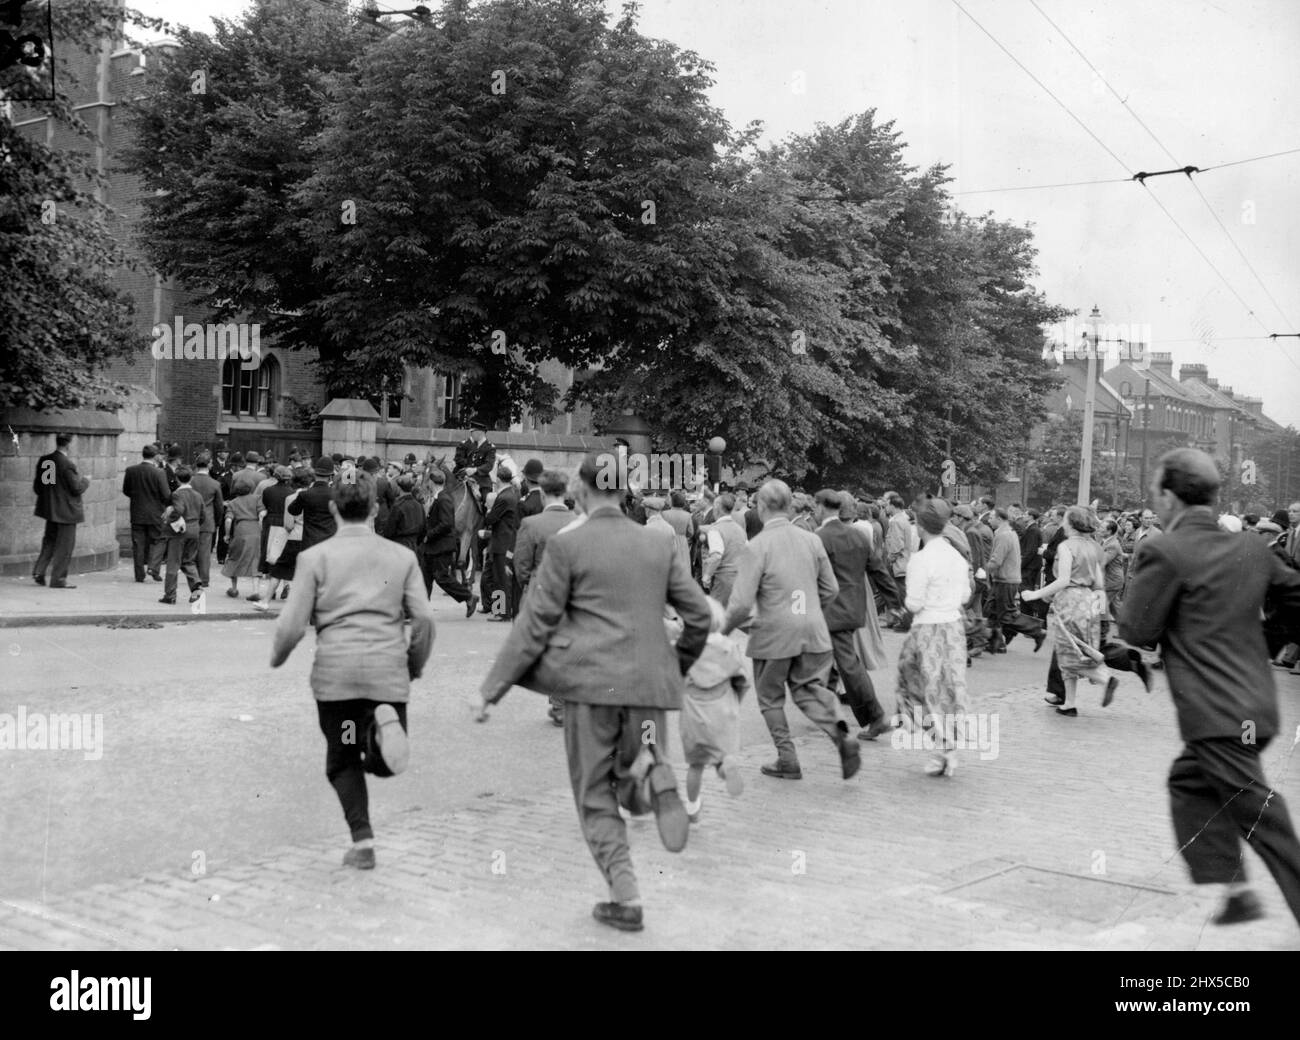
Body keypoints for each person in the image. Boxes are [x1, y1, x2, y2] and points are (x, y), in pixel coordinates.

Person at [476, 452, 713, 933]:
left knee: (595, 795)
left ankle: (625, 896)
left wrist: (491, 689)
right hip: (648, 688)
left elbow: (535, 622)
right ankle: (658, 778)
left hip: (591, 689)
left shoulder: (568, 546)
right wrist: (676, 665)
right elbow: (701, 616)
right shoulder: (657, 544)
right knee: (638, 763)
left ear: (582, 491)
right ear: (627, 492)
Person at [1121, 448, 1300, 927]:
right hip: (1252, 710)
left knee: (1262, 815)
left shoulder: (1166, 549)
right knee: (1188, 782)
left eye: (1156, 492)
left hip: (1218, 715)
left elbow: (1137, 629)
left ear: (1169, 496)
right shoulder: (1250, 550)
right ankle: (1234, 889)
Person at [272, 478, 435, 871]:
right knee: (377, 760)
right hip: (386, 673)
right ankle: (379, 732)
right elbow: (425, 620)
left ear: (333, 511)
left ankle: (363, 844)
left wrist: (277, 657)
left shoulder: (314, 558)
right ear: (376, 510)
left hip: (338, 675)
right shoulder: (401, 557)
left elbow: (291, 626)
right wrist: (412, 664)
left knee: (342, 759)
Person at [721, 480, 860, 782]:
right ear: (788, 506)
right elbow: (831, 588)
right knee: (809, 692)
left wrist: (723, 630)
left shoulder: (757, 545)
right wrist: (809, 611)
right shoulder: (812, 540)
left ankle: (787, 759)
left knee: (770, 698)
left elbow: (741, 603)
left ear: (760, 507)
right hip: (814, 631)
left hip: (773, 634)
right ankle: (841, 734)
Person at [892, 497, 972, 777]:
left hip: (927, 629)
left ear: (920, 526)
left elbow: (914, 603)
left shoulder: (922, 559)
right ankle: (947, 747)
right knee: (948, 689)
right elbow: (965, 595)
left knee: (917, 688)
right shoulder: (956, 557)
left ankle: (941, 749)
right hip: (953, 629)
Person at [813, 489, 896, 742]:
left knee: (847, 664)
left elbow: (810, 577)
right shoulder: (858, 535)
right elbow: (878, 570)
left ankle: (875, 716)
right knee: (829, 660)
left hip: (830, 610)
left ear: (821, 507)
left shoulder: (819, 537)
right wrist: (894, 601)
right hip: (853, 607)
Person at [1022, 506, 1117, 715]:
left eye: (1065, 520)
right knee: (1076, 649)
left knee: (1067, 650)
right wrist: (1101, 612)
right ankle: (1069, 703)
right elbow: (1099, 584)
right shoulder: (1095, 547)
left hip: (1070, 600)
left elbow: (1063, 580)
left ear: (1072, 524)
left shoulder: (1066, 546)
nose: (1063, 523)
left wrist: (1034, 594)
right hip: (1089, 600)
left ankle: (1104, 678)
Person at [666, 597, 747, 824]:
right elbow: (742, 680)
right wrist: (735, 702)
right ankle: (725, 767)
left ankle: (692, 808)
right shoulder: (729, 648)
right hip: (722, 712)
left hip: (693, 713)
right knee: (722, 756)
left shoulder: (684, 649)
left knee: (696, 766)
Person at [512, 470, 575, 726]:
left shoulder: (532, 524)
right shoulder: (581, 520)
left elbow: (521, 564)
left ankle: (560, 703)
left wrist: (528, 584)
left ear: (545, 492)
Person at [31, 433, 90, 589]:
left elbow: (41, 487)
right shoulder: (67, 464)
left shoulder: (46, 461)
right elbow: (76, 488)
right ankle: (58, 579)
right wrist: (86, 480)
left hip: (50, 510)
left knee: (49, 542)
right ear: (69, 444)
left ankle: (39, 571)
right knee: (65, 547)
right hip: (66, 513)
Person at [983, 507, 1046, 653]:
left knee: (1006, 614)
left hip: (1005, 580)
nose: (989, 520)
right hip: (1006, 579)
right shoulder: (1009, 533)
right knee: (991, 611)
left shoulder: (1003, 535)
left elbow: (996, 560)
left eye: (991, 517)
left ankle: (1036, 631)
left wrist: (983, 571)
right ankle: (997, 643)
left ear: (1000, 519)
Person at [420, 468, 478, 615]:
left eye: (429, 482)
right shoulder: (439, 497)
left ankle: (469, 597)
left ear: (432, 483)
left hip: (441, 546)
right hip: (433, 547)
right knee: (425, 578)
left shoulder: (444, 499)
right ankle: (419, 610)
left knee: (442, 578)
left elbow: (446, 524)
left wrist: (429, 535)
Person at [122, 444, 171, 583]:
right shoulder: (159, 473)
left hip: (137, 513)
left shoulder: (131, 470)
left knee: (138, 544)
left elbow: (126, 490)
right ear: (155, 456)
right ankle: (153, 567)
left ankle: (139, 575)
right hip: (156, 514)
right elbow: (166, 495)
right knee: (159, 540)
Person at [250, 465, 295, 609]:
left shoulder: (268, 491)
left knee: (270, 554)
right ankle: (285, 585)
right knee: (283, 554)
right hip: (285, 523)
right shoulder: (292, 492)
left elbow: (266, 504)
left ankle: (271, 589)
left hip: (270, 522)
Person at [159, 466, 204, 605]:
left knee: (173, 563)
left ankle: (170, 595)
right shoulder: (198, 495)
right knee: (189, 561)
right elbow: (203, 515)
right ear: (190, 478)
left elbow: (179, 509)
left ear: (177, 479)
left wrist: (169, 517)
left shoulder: (177, 494)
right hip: (195, 530)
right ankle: (196, 586)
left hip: (180, 532)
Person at [479, 463, 519, 620]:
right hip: (506, 542)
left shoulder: (503, 497)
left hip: (501, 544)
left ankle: (501, 612)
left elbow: (490, 519)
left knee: (500, 580)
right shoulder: (512, 494)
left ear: (499, 479)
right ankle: (502, 611)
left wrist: (489, 509)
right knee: (500, 579)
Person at [701, 492, 747, 606]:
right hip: (739, 578)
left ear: (717, 508)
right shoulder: (739, 529)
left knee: (717, 615)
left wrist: (707, 575)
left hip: (722, 580)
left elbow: (716, 556)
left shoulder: (715, 530)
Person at [221, 470, 262, 599]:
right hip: (255, 530)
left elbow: (228, 520)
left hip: (240, 530)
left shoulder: (233, 503)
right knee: (256, 559)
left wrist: (227, 535)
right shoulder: (257, 499)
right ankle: (255, 591)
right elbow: (262, 514)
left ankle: (234, 589)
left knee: (234, 557)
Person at [189, 452, 224, 590]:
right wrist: (217, 521)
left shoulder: (190, 481)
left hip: (191, 518)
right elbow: (219, 506)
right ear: (209, 464)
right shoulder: (215, 484)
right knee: (204, 552)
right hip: (208, 520)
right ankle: (203, 579)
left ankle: (192, 576)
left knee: (191, 550)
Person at [287, 457, 339, 551]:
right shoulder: (336, 495)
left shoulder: (305, 494)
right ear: (331, 476)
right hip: (330, 541)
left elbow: (292, 510)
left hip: (310, 542)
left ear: (315, 474)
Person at [383, 473, 426, 553]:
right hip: (414, 546)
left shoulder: (398, 506)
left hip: (399, 546)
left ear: (399, 488)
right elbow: (424, 529)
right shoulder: (419, 505)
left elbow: (389, 531)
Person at [454, 420, 496, 493]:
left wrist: (475, 470)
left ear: (479, 433)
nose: (471, 435)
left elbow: (489, 465)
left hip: (481, 479)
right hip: (465, 476)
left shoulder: (490, 447)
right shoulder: (470, 444)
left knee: (487, 498)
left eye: (472, 432)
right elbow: (459, 459)